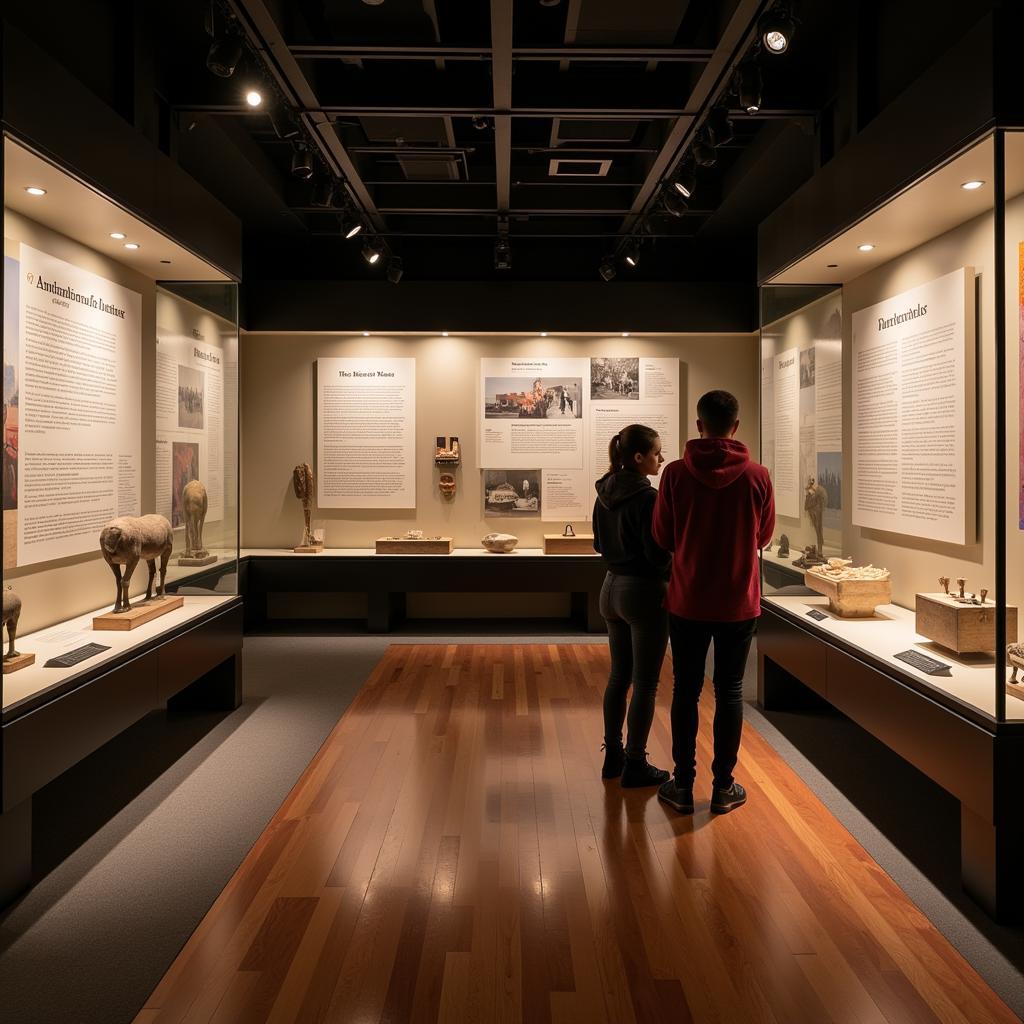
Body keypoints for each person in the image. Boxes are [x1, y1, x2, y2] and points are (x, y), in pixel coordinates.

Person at [652, 390, 774, 815]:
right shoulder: (758, 476)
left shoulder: (674, 475)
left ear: (699, 425)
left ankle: (682, 786)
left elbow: (663, 537)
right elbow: (764, 537)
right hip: (739, 601)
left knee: (685, 690)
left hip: (687, 599)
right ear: (735, 426)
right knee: (731, 690)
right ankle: (724, 787)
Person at [592, 424, 672, 787]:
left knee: (618, 676)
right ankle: (636, 763)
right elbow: (656, 554)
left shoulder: (603, 492)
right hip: (642, 592)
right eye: (657, 452)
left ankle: (614, 756)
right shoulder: (648, 498)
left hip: (609, 588)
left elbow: (597, 544)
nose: (661, 458)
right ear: (639, 457)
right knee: (645, 682)